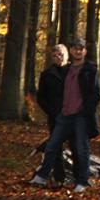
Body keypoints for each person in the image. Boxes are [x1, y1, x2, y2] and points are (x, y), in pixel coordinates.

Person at [30, 37, 100, 193]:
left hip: (81, 116)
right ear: (71, 51)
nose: (78, 51)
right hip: (64, 115)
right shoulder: (66, 70)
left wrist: (85, 112)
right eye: (75, 48)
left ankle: (82, 181)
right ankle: (42, 176)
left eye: (81, 49)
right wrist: (57, 111)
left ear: (85, 51)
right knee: (52, 145)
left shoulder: (90, 70)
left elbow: (96, 94)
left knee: (81, 149)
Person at [36, 44, 71, 184]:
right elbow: (41, 97)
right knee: (55, 146)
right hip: (55, 116)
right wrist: (51, 111)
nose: (58, 58)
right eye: (55, 56)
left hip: (73, 115)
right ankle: (59, 177)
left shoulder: (74, 72)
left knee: (77, 145)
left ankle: (80, 176)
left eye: (60, 55)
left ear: (66, 55)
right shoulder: (46, 75)